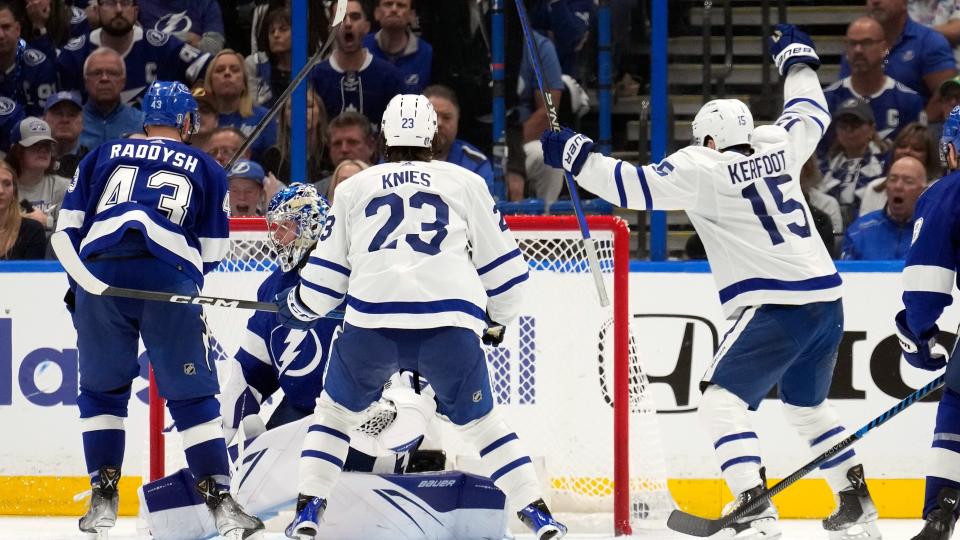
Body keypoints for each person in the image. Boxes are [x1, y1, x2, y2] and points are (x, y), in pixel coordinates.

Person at [541, 24, 882, 538]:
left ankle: (754, 504)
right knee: (807, 409)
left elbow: (631, 186)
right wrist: (797, 61)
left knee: (720, 401)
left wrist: (576, 154)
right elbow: (811, 111)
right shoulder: (779, 146)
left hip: (778, 305)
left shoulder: (703, 167)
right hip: (827, 301)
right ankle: (857, 500)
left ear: (707, 140)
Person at [275, 94, 567, 540]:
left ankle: (309, 511)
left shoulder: (355, 187)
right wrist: (497, 320)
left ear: (382, 137)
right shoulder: (465, 182)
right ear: (432, 134)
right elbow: (508, 274)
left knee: (333, 416)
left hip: (371, 324)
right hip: (447, 324)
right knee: (485, 426)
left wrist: (299, 306)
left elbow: (326, 279)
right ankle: (536, 513)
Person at [54, 81, 263, 538]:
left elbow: (65, 230)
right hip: (167, 277)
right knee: (191, 398)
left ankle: (103, 499)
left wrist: (82, 285)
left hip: (99, 275)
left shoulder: (103, 154)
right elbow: (212, 251)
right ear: (187, 122)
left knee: (102, 392)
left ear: (146, 119)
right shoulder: (207, 166)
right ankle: (221, 503)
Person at [895, 105, 960, 540]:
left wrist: (918, 334)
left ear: (950, 150)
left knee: (958, 402)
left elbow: (925, 285)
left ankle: (941, 510)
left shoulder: (948, 193)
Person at [56, 0, 210, 103]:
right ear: (97, 10)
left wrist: (190, 100)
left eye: (125, 3)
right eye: (110, 3)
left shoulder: (162, 45)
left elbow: (210, 68)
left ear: (136, 10)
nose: (118, 10)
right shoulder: (73, 54)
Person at [839, 0, 956, 119]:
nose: (875, 2)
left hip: (915, 130)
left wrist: (920, 127)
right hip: (862, 128)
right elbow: (844, 94)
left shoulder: (929, 42)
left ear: (904, 3)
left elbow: (948, 96)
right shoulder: (856, 47)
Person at [824, 16, 925, 145]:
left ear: (884, 48)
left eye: (866, 43)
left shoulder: (909, 101)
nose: (858, 50)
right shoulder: (826, 100)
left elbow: (919, 155)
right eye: (852, 43)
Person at [309, 0, 403, 128]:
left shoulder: (389, 76)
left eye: (355, 17)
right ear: (330, 28)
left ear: (366, 27)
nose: (348, 23)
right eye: (340, 18)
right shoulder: (316, 77)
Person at [819, 97, 889, 227]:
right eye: (843, 125)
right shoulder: (824, 168)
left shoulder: (887, 163)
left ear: (871, 129)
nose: (849, 130)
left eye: (855, 124)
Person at [842, 155, 927, 259]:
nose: (898, 186)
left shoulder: (937, 232)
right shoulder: (859, 231)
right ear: (886, 188)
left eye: (908, 181)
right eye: (893, 179)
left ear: (923, 191)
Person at [424, 84, 497, 198]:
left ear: (457, 120)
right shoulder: (395, 158)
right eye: (431, 116)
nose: (439, 123)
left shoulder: (476, 165)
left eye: (447, 117)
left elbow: (485, 212)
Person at [203, 48, 276, 161]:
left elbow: (272, 163)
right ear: (210, 82)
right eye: (220, 70)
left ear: (244, 83)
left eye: (235, 70)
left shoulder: (264, 118)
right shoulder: (201, 120)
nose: (227, 73)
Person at [861, 122, 940, 215]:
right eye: (902, 146)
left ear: (929, 157)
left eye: (917, 148)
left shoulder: (941, 192)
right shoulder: (874, 188)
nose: (907, 151)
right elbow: (863, 227)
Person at [7, 116, 68, 235]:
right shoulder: (3, 185)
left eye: (47, 145)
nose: (43, 150)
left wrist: (47, 222)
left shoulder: (64, 187)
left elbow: (76, 229)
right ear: (17, 151)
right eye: (35, 145)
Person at [78, 47, 144, 150]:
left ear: (123, 81)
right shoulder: (71, 124)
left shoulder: (142, 123)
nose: (104, 78)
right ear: (86, 81)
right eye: (97, 73)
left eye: (113, 73)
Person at [259, 86, 327, 184]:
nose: (301, 111)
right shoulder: (273, 156)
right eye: (293, 106)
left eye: (309, 106)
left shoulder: (331, 152)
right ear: (284, 117)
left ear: (320, 114)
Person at [362, 0, 432, 93]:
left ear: (412, 15)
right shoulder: (361, 47)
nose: (394, 9)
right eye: (388, 4)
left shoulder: (427, 53)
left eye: (401, 5)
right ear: (377, 13)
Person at [0, 2, 57, 116]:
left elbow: (46, 119)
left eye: (6, 27)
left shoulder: (39, 66)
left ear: (17, 29)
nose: (0, 35)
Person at [312, 111, 376, 195]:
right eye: (337, 143)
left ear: (370, 146)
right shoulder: (315, 194)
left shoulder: (389, 188)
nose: (344, 149)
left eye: (352, 142)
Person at [136, 0, 226, 55]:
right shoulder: (139, 4)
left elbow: (212, 49)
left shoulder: (206, 3)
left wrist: (156, 41)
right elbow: (137, 48)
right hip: (154, 74)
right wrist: (189, 38)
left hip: (195, 74)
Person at [246, 7, 291, 107]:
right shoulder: (255, 64)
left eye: (283, 30)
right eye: (271, 31)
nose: (276, 35)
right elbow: (252, 108)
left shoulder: (311, 67)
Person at [0, 160, 44, 259]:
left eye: (7, 184)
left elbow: (33, 273)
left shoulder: (32, 231)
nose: (1, 191)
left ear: (14, 193)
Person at [43, 90, 87, 177]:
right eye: (58, 114)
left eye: (72, 115)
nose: (65, 120)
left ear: (83, 124)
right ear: (44, 120)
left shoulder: (93, 162)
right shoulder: (31, 162)